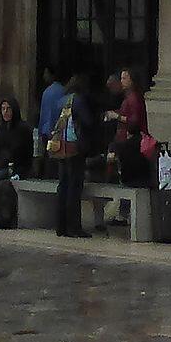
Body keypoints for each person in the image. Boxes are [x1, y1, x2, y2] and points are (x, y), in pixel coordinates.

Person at [47, 67, 100, 237]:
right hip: (74, 148)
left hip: (59, 148)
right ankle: (73, 227)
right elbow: (88, 122)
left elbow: (51, 124)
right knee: (74, 187)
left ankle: (60, 226)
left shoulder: (60, 101)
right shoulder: (78, 100)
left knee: (62, 185)